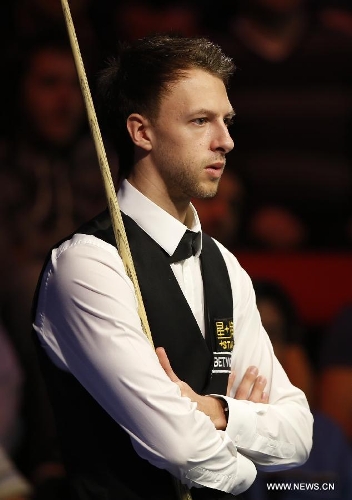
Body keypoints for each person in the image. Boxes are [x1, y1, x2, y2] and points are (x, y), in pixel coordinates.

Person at [32, 33, 313, 499]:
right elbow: (180, 448)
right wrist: (246, 468)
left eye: (226, 121)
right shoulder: (87, 266)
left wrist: (214, 410)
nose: (226, 141)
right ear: (141, 131)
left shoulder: (224, 265)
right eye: (201, 121)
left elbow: (299, 433)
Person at [243, 279, 352, 499]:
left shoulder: (326, 437)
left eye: (272, 334)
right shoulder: (204, 429)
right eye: (252, 332)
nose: (265, 347)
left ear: (289, 347)